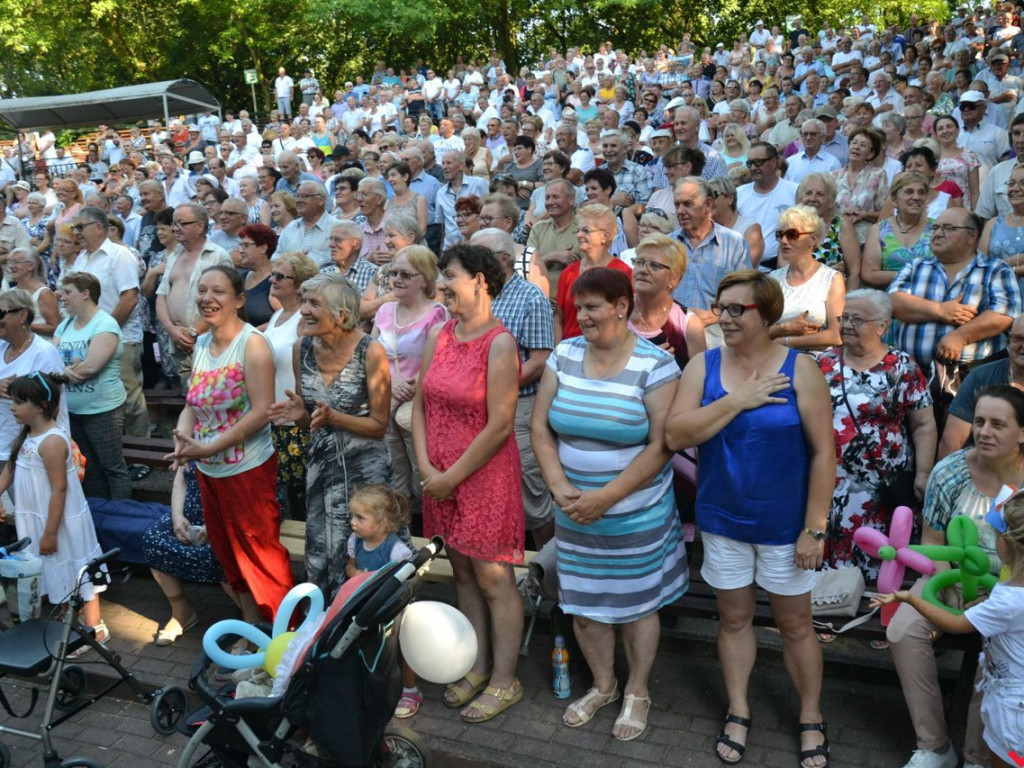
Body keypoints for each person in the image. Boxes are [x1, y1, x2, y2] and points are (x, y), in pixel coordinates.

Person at [666, 270, 834, 767]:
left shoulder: (802, 369)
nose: (725, 317)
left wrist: (814, 527)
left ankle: (810, 715)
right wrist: (737, 400)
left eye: (738, 309)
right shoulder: (704, 366)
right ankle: (739, 710)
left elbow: (824, 454)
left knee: (796, 626)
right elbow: (676, 435)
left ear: (768, 314)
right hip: (723, 521)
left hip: (786, 527)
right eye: (721, 307)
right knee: (734, 620)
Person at [531, 267, 688, 741]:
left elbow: (662, 445)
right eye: (578, 308)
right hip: (575, 510)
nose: (582, 317)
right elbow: (541, 428)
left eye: (592, 307)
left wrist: (607, 497)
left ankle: (637, 690)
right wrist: (558, 485)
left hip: (635, 512)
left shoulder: (654, 365)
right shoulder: (564, 352)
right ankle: (603, 684)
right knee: (584, 604)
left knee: (638, 606)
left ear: (621, 306)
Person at [411, 244, 524, 724]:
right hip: (438, 480)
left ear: (480, 280)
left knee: (494, 578)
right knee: (462, 574)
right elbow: (419, 403)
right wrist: (426, 468)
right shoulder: (440, 333)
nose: (442, 287)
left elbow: (500, 425)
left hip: (483, 479)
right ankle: (476, 665)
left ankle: (505, 679)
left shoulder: (500, 343)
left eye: (450, 277)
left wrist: (451, 477)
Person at [882, 386, 1023, 768]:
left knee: (1000, 648)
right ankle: (935, 745)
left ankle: (981, 753)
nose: (984, 432)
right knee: (903, 629)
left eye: (998, 424)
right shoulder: (951, 471)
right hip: (950, 577)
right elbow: (932, 541)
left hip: (1012, 589)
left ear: (1022, 433)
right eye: (979, 422)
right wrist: (947, 592)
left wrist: (996, 598)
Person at [167, 265, 293, 625]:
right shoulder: (203, 343)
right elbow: (192, 403)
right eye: (202, 290)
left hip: (247, 470)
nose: (207, 299)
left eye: (218, 291)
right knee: (228, 557)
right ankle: (252, 632)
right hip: (209, 469)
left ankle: (287, 641)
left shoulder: (252, 345)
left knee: (262, 559)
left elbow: (261, 412)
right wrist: (182, 442)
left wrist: (209, 447)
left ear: (239, 300)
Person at [268, 273, 392, 599]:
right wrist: (301, 416)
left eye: (313, 303)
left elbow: (379, 425)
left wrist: (334, 418)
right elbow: (312, 417)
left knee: (362, 552)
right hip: (322, 468)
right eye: (304, 301)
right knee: (322, 551)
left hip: (364, 472)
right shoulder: (301, 349)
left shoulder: (371, 351)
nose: (304, 310)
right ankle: (323, 628)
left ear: (340, 316)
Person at [816, 289, 936, 578]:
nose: (846, 326)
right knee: (829, 560)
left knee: (878, 558)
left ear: (882, 326)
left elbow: (924, 425)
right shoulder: (822, 363)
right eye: (843, 318)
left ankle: (875, 608)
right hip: (828, 482)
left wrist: (922, 473)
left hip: (881, 486)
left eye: (857, 319)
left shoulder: (902, 367)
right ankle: (831, 607)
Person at [0, 373, 108, 657]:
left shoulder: (52, 442)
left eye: (19, 402)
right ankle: (66, 618)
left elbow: (59, 490)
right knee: (56, 569)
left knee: (75, 569)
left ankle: (94, 628)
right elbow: (11, 468)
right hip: (37, 518)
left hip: (58, 521)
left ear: (41, 406)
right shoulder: (27, 435)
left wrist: (49, 532)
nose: (12, 407)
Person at [472, 228, 556, 548]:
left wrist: (497, 388)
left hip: (518, 407)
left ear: (503, 259)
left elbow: (539, 360)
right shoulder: (476, 296)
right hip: (476, 405)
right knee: (487, 487)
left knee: (529, 493)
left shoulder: (530, 296)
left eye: (477, 256)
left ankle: (547, 573)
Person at [371, 245, 447, 506]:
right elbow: (370, 357)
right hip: (384, 400)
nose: (397, 280)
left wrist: (411, 387)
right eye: (394, 273)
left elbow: (440, 364)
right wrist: (389, 386)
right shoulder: (383, 311)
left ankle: (428, 536)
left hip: (417, 406)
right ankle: (402, 534)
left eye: (405, 274)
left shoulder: (437, 315)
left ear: (424, 278)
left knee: (420, 473)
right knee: (393, 475)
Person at [342, 484, 419, 718]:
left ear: (382, 522)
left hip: (394, 608)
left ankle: (410, 689)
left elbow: (408, 580)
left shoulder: (396, 550)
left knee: (403, 647)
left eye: (360, 517)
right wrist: (353, 573)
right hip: (367, 606)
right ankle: (370, 687)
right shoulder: (355, 541)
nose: (353, 522)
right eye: (352, 516)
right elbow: (350, 564)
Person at [54, 272, 131, 500]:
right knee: (89, 468)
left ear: (86, 294)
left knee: (112, 467)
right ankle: (100, 517)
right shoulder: (65, 325)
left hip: (102, 410)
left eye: (68, 292)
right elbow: (51, 362)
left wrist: (61, 373)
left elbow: (91, 368)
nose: (62, 297)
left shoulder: (105, 323)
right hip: (72, 411)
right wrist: (63, 372)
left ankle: (122, 516)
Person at [141, 462, 226, 645]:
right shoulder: (190, 437)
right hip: (191, 511)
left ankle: (247, 619)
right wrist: (177, 517)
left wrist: (212, 524)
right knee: (152, 540)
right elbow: (180, 482)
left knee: (223, 551)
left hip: (226, 513)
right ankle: (182, 612)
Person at [263, 251, 318, 520]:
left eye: (280, 276)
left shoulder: (303, 320)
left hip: (296, 425)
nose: (272, 279)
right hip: (275, 421)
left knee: (299, 501)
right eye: (273, 274)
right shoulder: (279, 316)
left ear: (298, 284)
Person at [0, 289, 66, 474]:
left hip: (33, 450)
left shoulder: (43, 352)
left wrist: (13, 390)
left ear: (22, 316)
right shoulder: (1, 346)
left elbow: (50, 403)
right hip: (4, 444)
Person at [627, 234, 705, 371]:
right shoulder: (615, 311)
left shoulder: (689, 324)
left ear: (674, 278)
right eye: (639, 262)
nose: (643, 270)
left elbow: (699, 381)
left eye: (655, 265)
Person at [555, 204, 632, 341]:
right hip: (570, 349)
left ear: (605, 235)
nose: (579, 235)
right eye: (577, 230)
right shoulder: (569, 272)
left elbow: (628, 318)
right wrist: (558, 351)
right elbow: (558, 319)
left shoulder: (623, 272)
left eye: (586, 230)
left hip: (607, 349)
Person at [860, 172, 935, 290]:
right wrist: (914, 274)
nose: (916, 197)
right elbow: (869, 274)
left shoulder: (937, 228)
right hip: (887, 297)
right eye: (909, 192)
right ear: (894, 200)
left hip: (929, 295)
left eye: (921, 192)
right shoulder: (879, 230)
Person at [980, 162, 1024, 298]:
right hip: (998, 298)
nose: (1015, 188)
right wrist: (1016, 262)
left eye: (1023, 183)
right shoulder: (993, 223)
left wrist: (998, 268)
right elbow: (980, 265)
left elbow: (990, 268)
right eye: (1011, 183)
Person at [707, 176, 765, 268]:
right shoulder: (705, 229)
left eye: (714, 195)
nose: (708, 202)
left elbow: (747, 267)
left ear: (730, 198)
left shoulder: (750, 229)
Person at [5, 248, 59, 339]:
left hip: (39, 347)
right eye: (9, 262)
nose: (11, 266)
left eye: (16, 262)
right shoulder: (10, 292)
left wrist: (23, 324)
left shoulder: (43, 293)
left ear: (30, 266)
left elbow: (55, 328)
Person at [237, 224, 279, 329]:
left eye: (246, 245)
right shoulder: (240, 277)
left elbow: (285, 319)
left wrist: (250, 335)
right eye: (240, 245)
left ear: (263, 248)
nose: (240, 250)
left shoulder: (277, 280)